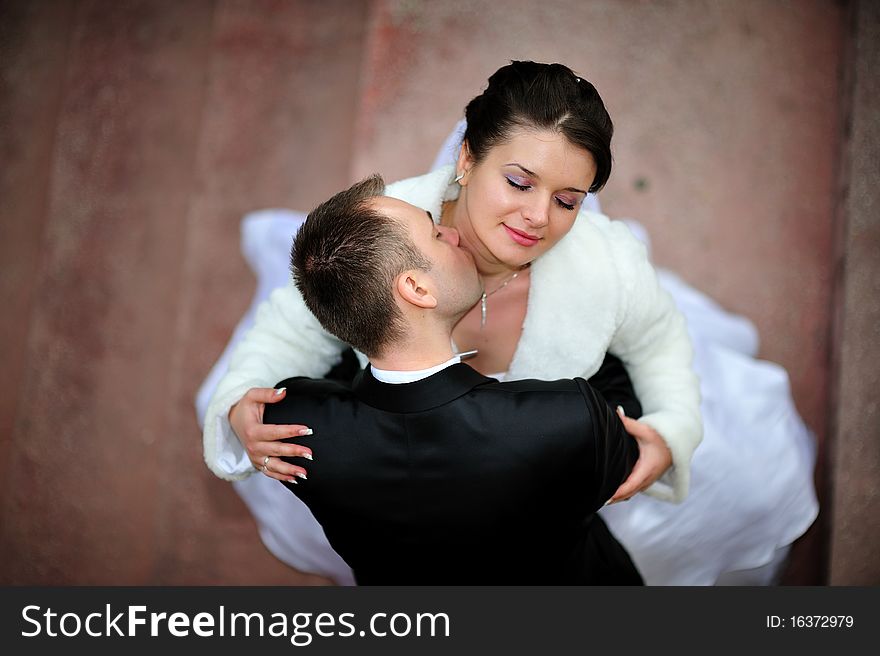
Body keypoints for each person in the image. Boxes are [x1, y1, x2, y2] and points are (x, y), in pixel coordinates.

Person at [197, 61, 818, 585]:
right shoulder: (387, 237)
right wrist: (238, 407)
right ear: (467, 158)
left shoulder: (607, 264)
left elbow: (658, 344)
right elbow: (287, 331)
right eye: (519, 181)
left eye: (567, 200)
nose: (537, 218)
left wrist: (674, 430)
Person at [260, 175, 644, 584]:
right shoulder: (569, 418)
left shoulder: (292, 422)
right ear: (416, 288)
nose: (454, 233)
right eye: (435, 233)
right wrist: (597, 349)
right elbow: (629, 454)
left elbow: (322, 383)